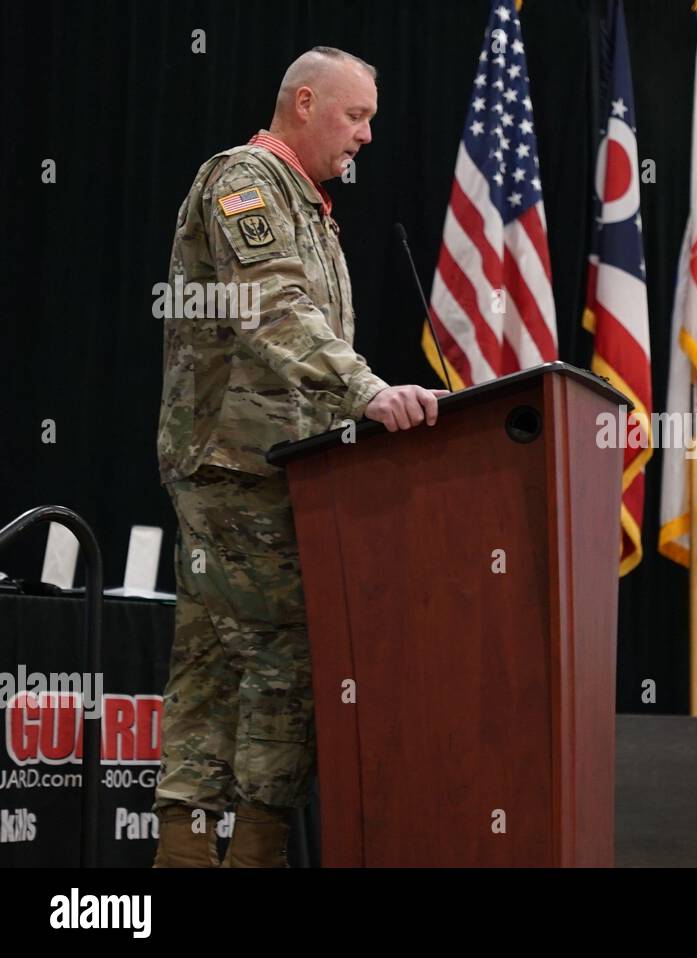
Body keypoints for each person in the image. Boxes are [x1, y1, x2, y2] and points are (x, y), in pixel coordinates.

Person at [154, 46, 443, 867]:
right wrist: (368, 392)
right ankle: (250, 850)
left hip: (269, 469)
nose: (367, 137)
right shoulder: (242, 181)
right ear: (306, 103)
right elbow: (272, 309)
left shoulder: (310, 206)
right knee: (284, 661)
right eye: (357, 118)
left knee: (212, 663)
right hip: (237, 465)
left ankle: (187, 848)